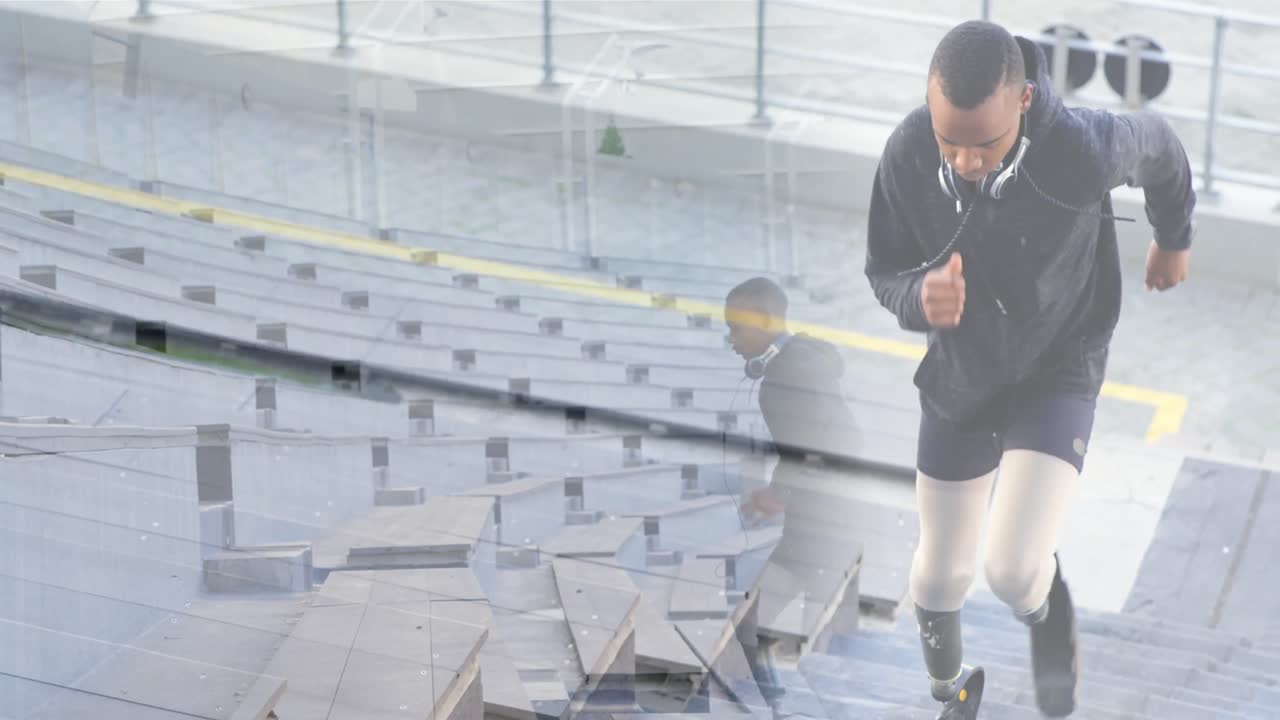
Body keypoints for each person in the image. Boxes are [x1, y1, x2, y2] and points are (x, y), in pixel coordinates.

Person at [863, 20, 1194, 718]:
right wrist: (920, 298)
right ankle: (951, 692)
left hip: (1058, 364)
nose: (964, 161)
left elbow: (1161, 147)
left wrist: (1173, 238)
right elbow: (885, 271)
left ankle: (1049, 611)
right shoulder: (907, 151)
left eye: (983, 145)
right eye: (949, 141)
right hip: (963, 371)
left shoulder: (1082, 146)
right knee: (938, 577)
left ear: (1024, 101)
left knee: (1013, 571)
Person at [723, 277, 863, 717]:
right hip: (831, 515)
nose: (730, 340)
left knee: (752, 626)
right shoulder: (805, 358)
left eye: (736, 328)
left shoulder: (784, 377)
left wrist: (777, 492)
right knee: (763, 625)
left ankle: (779, 708)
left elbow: (818, 446)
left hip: (818, 522)